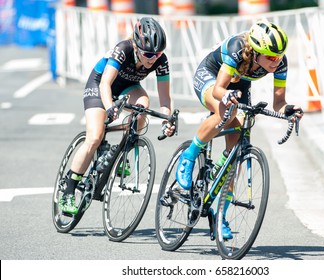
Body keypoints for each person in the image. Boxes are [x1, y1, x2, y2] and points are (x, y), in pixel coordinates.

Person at [176, 21, 304, 239]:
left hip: (239, 87)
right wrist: (226, 97)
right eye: (271, 57)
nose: (277, 60)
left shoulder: (279, 62)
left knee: (236, 152)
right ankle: (188, 156)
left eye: (280, 55)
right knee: (227, 111)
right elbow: (219, 89)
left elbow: (278, 102)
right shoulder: (238, 48)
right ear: (255, 52)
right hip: (212, 77)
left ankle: (220, 215)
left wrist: (289, 110)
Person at [60, 17, 176, 215]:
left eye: (157, 54)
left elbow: (165, 100)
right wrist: (110, 107)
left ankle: (124, 149)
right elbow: (105, 83)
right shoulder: (123, 49)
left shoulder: (160, 61)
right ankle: (69, 189)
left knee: (143, 107)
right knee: (95, 136)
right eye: (149, 54)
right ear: (137, 46)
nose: (153, 58)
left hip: (128, 87)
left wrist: (167, 120)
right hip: (100, 86)